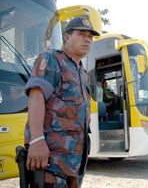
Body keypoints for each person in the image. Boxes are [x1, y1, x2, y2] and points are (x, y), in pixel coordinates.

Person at [24, 16, 100, 187]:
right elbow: (36, 96)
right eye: (82, 34)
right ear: (67, 37)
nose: (87, 40)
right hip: (52, 160)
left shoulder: (82, 73)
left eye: (90, 37)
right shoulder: (52, 59)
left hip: (76, 161)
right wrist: (36, 141)